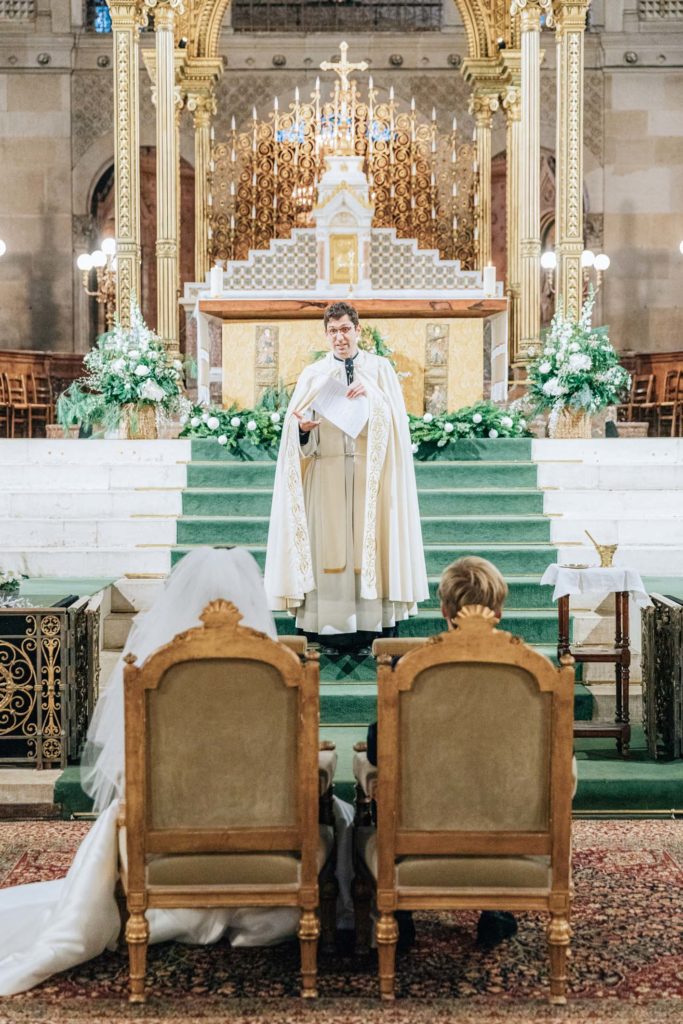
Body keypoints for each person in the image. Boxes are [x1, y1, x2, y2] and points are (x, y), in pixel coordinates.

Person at [0, 548, 354, 996]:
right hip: (267, 831)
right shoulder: (277, 672)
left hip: (169, 834)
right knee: (333, 811)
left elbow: (133, 765)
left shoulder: (153, 675)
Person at [367, 556, 517, 949]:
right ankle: (496, 907)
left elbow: (378, 745)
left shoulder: (412, 667)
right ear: (499, 609)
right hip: (498, 820)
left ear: (444, 609)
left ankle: (399, 912)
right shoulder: (527, 672)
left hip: (424, 818)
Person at [264, 301, 428, 653]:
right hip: (326, 474)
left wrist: (373, 397)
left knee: (371, 548)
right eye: (333, 331)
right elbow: (294, 436)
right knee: (329, 550)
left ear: (358, 329)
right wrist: (304, 430)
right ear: (326, 335)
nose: (340, 337)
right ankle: (327, 628)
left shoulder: (380, 370)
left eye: (345, 329)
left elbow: (399, 426)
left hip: (371, 476)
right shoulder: (313, 374)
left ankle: (372, 627)